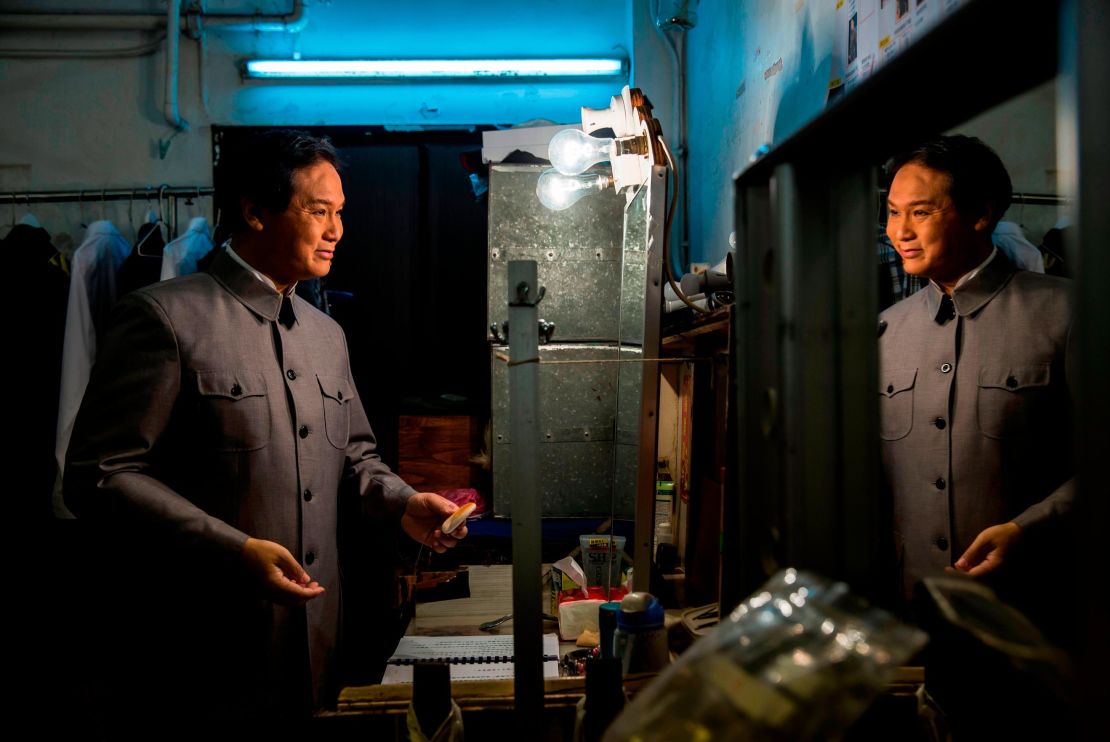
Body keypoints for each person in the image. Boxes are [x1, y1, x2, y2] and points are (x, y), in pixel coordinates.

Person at [63, 130, 467, 723]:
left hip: (318, 647)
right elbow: (99, 475)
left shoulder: (325, 334)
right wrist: (232, 548)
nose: (337, 230)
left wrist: (404, 503)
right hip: (202, 653)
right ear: (254, 211)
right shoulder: (165, 317)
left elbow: (355, 457)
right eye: (318, 211)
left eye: (341, 213)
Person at [878, 135, 1073, 621]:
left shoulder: (1068, 311)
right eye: (893, 212)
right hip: (912, 609)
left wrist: (1030, 529)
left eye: (920, 213)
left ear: (981, 215)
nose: (899, 231)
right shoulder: (883, 332)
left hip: (1032, 607)